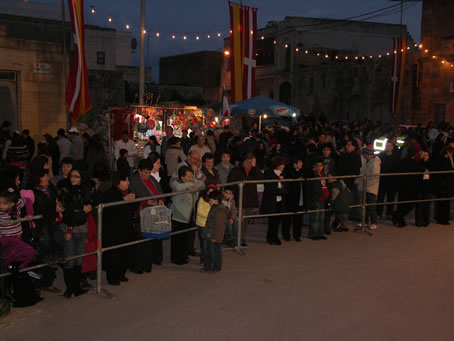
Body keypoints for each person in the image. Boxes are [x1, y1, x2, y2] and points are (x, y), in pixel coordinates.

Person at [59, 168, 94, 298]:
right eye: (72, 176)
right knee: (70, 260)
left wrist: (88, 207)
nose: (73, 179)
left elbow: (90, 205)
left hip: (82, 229)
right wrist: (81, 209)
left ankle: (76, 287)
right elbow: (67, 213)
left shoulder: (86, 191)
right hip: (69, 230)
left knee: (78, 260)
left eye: (77, 177)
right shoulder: (65, 190)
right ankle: (70, 289)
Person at [129, 157, 165, 271]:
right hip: (142, 213)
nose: (147, 175)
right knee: (142, 241)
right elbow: (132, 198)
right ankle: (140, 265)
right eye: (145, 172)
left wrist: (160, 199)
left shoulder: (152, 179)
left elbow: (159, 191)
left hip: (154, 211)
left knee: (153, 239)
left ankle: (150, 261)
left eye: (149, 172)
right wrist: (145, 202)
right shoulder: (133, 181)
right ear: (139, 171)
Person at [102, 172, 137, 286]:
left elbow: (134, 206)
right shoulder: (110, 193)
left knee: (124, 251)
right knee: (113, 253)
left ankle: (122, 273)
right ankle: (112, 277)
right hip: (113, 230)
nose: (128, 182)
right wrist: (123, 200)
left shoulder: (129, 191)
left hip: (126, 227)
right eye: (126, 180)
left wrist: (133, 200)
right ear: (119, 182)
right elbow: (110, 210)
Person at [170, 166, 204, 265]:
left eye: (191, 176)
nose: (191, 178)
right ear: (182, 177)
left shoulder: (192, 182)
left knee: (186, 237)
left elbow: (201, 184)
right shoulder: (176, 182)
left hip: (189, 214)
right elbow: (177, 187)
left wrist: (192, 183)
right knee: (177, 238)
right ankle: (176, 258)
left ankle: (184, 256)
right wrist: (191, 185)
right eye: (188, 176)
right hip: (179, 214)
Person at [227, 153, 263, 246]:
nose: (249, 163)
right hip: (239, 199)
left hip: (250, 200)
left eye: (251, 161)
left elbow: (260, 178)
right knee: (238, 221)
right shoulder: (236, 170)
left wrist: (254, 167)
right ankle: (235, 239)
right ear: (243, 161)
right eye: (248, 161)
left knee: (245, 221)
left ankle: (241, 239)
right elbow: (230, 182)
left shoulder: (254, 170)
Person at [260, 155, 287, 245]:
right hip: (271, 200)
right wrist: (278, 180)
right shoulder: (269, 173)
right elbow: (269, 186)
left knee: (278, 220)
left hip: (280, 200)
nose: (283, 166)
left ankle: (274, 236)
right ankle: (271, 237)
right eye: (282, 164)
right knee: (272, 220)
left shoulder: (283, 174)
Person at [201, 190, 228, 273]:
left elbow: (219, 226)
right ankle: (207, 266)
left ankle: (216, 267)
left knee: (215, 252)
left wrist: (215, 237)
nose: (209, 202)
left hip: (214, 235)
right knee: (208, 250)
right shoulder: (214, 207)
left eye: (210, 200)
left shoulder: (220, 210)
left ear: (216, 201)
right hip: (210, 233)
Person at [356, 145, 381, 230]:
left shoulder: (375, 162)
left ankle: (374, 222)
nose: (363, 156)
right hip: (366, 187)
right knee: (365, 205)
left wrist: (367, 184)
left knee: (371, 206)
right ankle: (365, 221)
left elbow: (375, 177)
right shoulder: (368, 161)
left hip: (371, 188)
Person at [376, 140, 400, 220]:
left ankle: (389, 213)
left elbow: (397, 169)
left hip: (392, 180)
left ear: (392, 147)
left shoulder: (396, 156)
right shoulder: (380, 155)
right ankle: (378, 213)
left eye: (389, 146)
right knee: (380, 198)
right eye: (386, 145)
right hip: (382, 180)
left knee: (391, 198)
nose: (387, 147)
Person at [283, 155, 304, 242]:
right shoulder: (288, 172)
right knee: (288, 219)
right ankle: (286, 235)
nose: (302, 164)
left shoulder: (302, 171)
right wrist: (296, 180)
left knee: (299, 219)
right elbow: (288, 185)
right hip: (291, 199)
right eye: (300, 162)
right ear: (295, 164)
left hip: (301, 199)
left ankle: (297, 235)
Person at [307, 159, 329, 240]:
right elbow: (314, 188)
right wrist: (319, 195)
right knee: (315, 217)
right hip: (316, 199)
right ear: (314, 167)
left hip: (323, 199)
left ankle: (320, 232)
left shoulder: (323, 175)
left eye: (320, 166)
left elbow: (325, 186)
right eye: (317, 166)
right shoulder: (313, 175)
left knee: (321, 217)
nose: (319, 167)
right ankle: (313, 233)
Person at [195, 185, 217, 266]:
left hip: (211, 225)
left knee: (209, 243)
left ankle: (209, 258)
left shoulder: (215, 201)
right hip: (202, 225)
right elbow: (199, 212)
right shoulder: (202, 199)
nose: (210, 193)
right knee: (203, 243)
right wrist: (210, 215)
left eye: (212, 192)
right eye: (209, 191)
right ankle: (203, 259)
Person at [434, 146, 454, 225]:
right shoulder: (442, 160)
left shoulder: (448, 159)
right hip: (443, 184)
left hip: (447, 184)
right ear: (448, 152)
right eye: (451, 153)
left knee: (446, 202)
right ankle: (442, 219)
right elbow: (446, 170)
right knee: (443, 202)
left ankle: (445, 218)